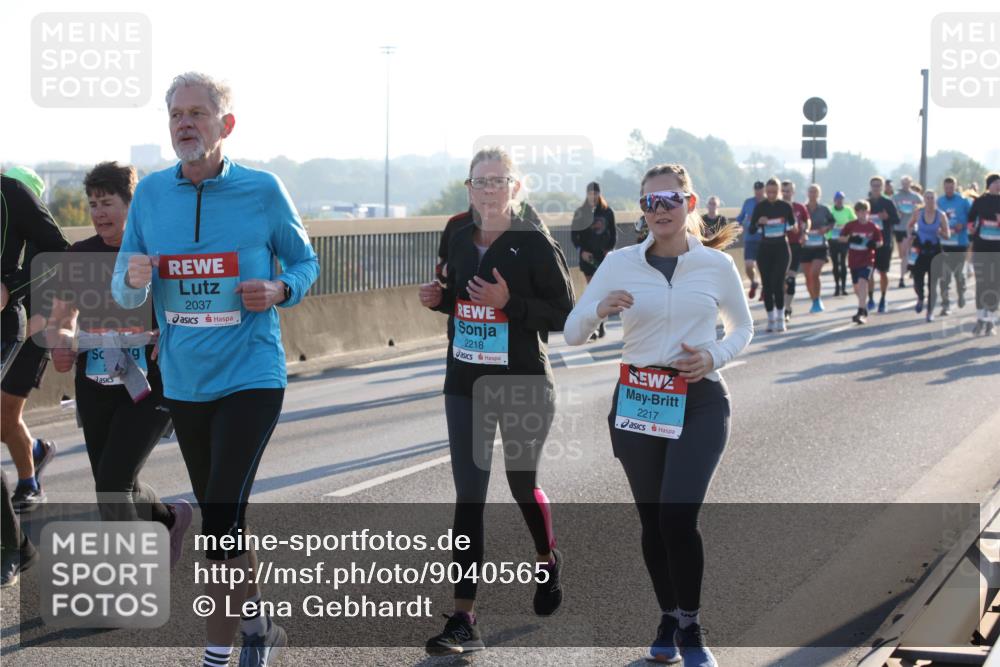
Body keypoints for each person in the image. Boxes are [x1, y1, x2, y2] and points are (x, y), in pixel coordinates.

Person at [112, 72, 319, 667]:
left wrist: (279, 287)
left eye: (197, 113)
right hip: (185, 381)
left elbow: (306, 263)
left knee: (219, 521)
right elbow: (124, 288)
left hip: (252, 376)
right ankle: (260, 624)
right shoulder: (151, 194)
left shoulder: (262, 190)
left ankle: (216, 656)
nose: (184, 123)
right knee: (225, 520)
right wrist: (132, 280)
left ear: (225, 125)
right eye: (176, 113)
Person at [564, 163, 752, 667]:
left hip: (700, 400)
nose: (660, 209)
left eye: (670, 199)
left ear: (690, 204)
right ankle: (667, 614)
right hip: (639, 398)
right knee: (652, 520)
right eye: (650, 202)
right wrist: (599, 308)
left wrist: (713, 356)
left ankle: (691, 626)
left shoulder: (716, 266)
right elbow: (571, 333)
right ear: (642, 210)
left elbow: (742, 329)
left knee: (677, 514)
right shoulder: (621, 262)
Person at [418, 147, 574, 655]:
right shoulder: (457, 233)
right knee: (470, 495)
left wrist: (511, 304)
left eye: (497, 181)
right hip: (465, 382)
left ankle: (546, 557)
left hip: (524, 380)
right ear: (469, 188)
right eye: (479, 182)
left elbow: (564, 313)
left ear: (515, 187)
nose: (487, 190)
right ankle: (465, 618)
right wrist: (440, 299)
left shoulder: (533, 242)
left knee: (521, 484)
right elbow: (456, 296)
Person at [47, 162, 193, 567]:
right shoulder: (78, 255)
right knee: (113, 483)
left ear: (133, 205)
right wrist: (59, 345)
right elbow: (62, 319)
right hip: (94, 383)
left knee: (113, 482)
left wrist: (170, 334)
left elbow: (185, 311)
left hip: (150, 385)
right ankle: (168, 518)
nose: (98, 213)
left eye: (107, 203)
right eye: (92, 204)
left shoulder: (154, 254)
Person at [1, 168, 64, 513]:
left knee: (5, 413)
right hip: (21, 326)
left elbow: (60, 260)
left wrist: (10, 291)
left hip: (31, 330)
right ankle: (36, 451)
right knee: (5, 419)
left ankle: (28, 483)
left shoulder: (23, 208)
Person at [571, 181, 617, 338]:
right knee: (592, 290)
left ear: (599, 194)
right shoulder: (580, 212)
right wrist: (581, 251)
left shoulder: (607, 212)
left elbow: (613, 234)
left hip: (602, 258)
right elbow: (574, 236)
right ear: (587, 194)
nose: (593, 196)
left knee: (601, 292)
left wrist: (609, 251)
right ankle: (595, 326)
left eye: (595, 193)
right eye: (590, 193)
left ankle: (600, 324)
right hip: (587, 257)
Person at [750, 178, 796, 332]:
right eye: (768, 192)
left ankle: (780, 318)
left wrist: (794, 228)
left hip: (781, 248)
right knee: (767, 286)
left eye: (774, 192)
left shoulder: (785, 206)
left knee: (778, 283)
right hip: (765, 249)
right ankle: (770, 319)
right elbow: (750, 229)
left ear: (779, 192)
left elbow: (792, 224)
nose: (771, 195)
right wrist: (759, 223)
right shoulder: (760, 207)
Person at [905, 190, 950, 322]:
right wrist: (910, 235)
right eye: (927, 198)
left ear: (935, 200)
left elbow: (948, 235)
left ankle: (930, 311)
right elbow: (909, 226)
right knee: (917, 279)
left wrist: (941, 232)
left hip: (934, 250)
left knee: (933, 283)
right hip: (920, 250)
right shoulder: (918, 213)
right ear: (924, 199)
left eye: (932, 198)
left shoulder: (941, 215)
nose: (929, 200)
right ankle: (920, 297)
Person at [839, 201, 884, 324]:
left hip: (868, 259)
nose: (862, 214)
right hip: (854, 259)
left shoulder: (873, 227)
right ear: (856, 213)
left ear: (868, 212)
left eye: (864, 211)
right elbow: (840, 237)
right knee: (856, 287)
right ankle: (863, 307)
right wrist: (850, 238)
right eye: (859, 212)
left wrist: (873, 244)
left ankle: (860, 311)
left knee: (863, 282)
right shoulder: (850, 226)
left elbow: (880, 242)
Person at [968, 172, 1000, 335]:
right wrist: (971, 231)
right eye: (996, 182)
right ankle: (980, 319)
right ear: (989, 185)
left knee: (995, 284)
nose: (999, 185)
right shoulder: (980, 201)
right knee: (982, 283)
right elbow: (970, 219)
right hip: (981, 246)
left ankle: (991, 321)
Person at [936, 176, 972, 316]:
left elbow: (973, 217)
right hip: (944, 242)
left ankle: (961, 292)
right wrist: (939, 228)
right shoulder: (940, 201)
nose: (949, 190)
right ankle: (946, 305)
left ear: (956, 187)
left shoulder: (963, 201)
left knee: (958, 274)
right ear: (943, 188)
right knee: (944, 276)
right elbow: (935, 218)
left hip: (960, 242)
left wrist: (963, 225)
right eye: (946, 188)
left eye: (951, 187)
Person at [867, 176, 900, 313]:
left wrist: (887, 218)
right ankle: (870, 299)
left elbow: (896, 220)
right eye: (873, 185)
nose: (876, 188)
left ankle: (883, 298)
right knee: (869, 272)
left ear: (882, 187)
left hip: (885, 241)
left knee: (882, 272)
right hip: (869, 242)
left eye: (878, 185)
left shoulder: (887, 203)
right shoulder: (866, 203)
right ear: (870, 187)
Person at [801, 184, 834, 312]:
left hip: (820, 246)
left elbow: (832, 222)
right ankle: (814, 300)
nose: (812, 194)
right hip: (806, 246)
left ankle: (817, 299)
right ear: (807, 194)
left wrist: (826, 228)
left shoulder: (824, 209)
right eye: (810, 192)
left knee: (815, 273)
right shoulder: (803, 209)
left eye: (815, 192)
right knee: (808, 276)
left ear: (818, 194)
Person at [780, 180, 810, 321]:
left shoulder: (799, 207)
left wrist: (805, 232)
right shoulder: (776, 207)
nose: (786, 193)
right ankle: (780, 306)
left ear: (793, 192)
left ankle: (787, 308)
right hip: (778, 245)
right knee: (780, 280)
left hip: (795, 245)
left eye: (789, 191)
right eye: (784, 190)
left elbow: (807, 220)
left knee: (791, 278)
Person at [735, 181, 765, 300]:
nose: (758, 192)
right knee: (748, 265)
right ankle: (753, 282)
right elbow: (741, 217)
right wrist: (737, 225)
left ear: (764, 190)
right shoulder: (748, 202)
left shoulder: (767, 203)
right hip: (750, 239)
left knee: (763, 267)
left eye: (760, 190)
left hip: (764, 240)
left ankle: (765, 288)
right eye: (756, 190)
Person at [892, 176, 922, 288]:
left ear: (910, 183)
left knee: (906, 253)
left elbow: (922, 210)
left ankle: (902, 278)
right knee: (902, 254)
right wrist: (896, 213)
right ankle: (909, 268)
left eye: (907, 183)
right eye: (903, 183)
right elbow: (892, 211)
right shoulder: (895, 197)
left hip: (911, 228)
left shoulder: (916, 197)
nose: (905, 185)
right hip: (899, 227)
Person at [827, 191, 856, 297]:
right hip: (833, 240)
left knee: (843, 262)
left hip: (844, 240)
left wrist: (847, 229)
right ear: (834, 200)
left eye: (841, 199)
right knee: (835, 264)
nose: (839, 201)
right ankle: (837, 287)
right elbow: (826, 223)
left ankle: (843, 287)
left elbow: (854, 222)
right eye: (837, 199)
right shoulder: (830, 210)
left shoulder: (848, 210)